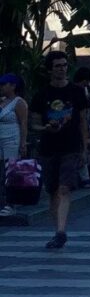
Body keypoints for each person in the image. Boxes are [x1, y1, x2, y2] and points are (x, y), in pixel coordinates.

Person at [30, 52, 90, 249]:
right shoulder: (41, 95)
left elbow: (83, 121)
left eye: (64, 65)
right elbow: (35, 124)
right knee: (52, 190)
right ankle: (56, 231)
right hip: (48, 148)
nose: (62, 68)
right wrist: (45, 128)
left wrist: (85, 147)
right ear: (50, 69)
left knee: (65, 188)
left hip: (71, 147)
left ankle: (61, 231)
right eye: (57, 65)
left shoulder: (77, 92)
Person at [0, 73, 28, 215]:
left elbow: (23, 123)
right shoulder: (2, 101)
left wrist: (23, 143)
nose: (1, 87)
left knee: (11, 171)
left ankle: (12, 204)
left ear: (12, 86)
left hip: (12, 140)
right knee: (2, 172)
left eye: (4, 85)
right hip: (1, 139)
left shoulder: (19, 102)